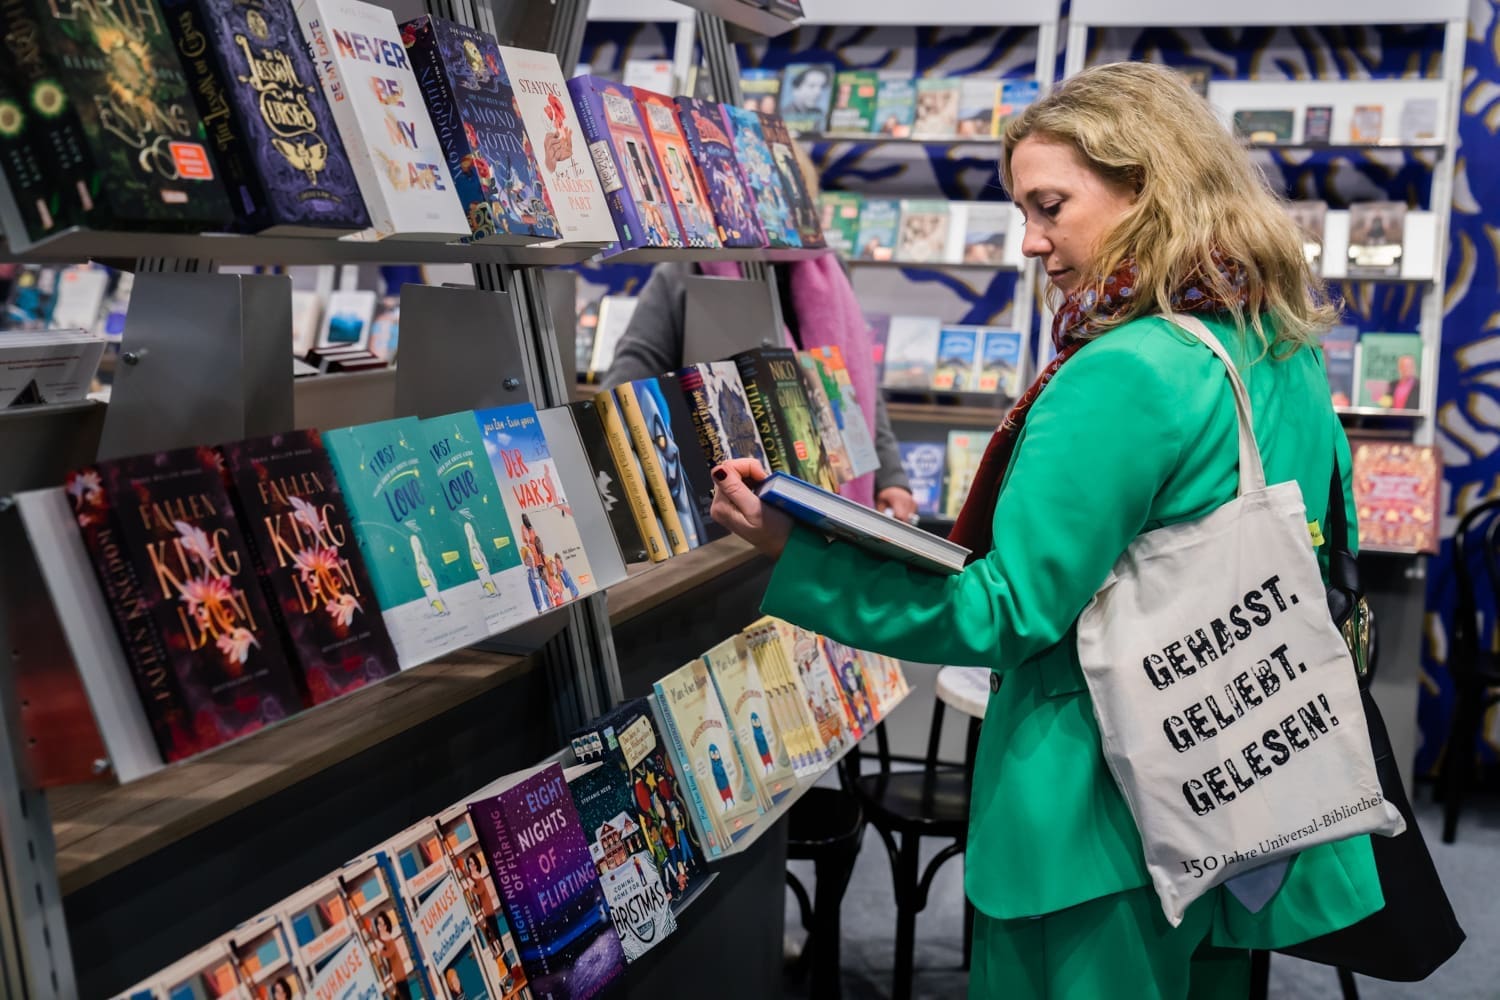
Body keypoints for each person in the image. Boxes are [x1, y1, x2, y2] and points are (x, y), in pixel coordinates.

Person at [709, 62, 1383, 998]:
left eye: (1051, 205)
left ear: (1150, 187)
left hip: (1102, 815)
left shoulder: (1127, 369)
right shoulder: (1279, 347)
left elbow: (1004, 611)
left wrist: (801, 556)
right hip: (1243, 795)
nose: (1031, 242)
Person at [602, 247, 917, 519]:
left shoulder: (830, 270)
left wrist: (890, 478)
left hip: (832, 508)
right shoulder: (685, 269)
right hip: (729, 506)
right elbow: (627, 383)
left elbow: (855, 385)